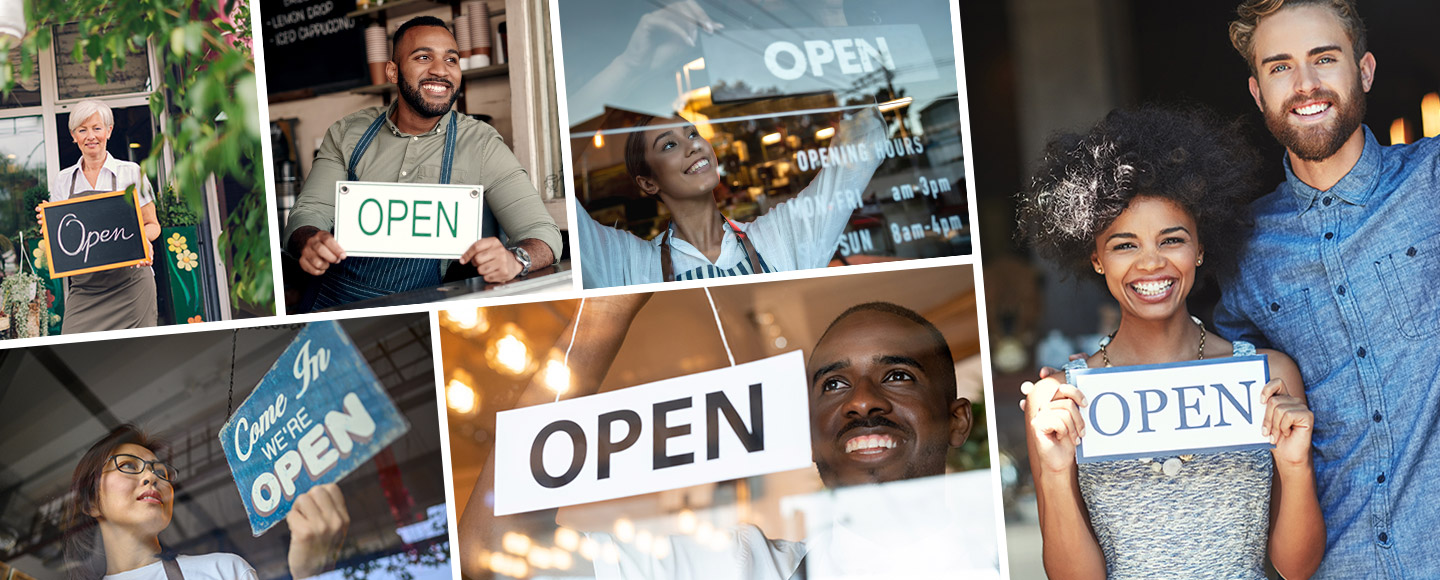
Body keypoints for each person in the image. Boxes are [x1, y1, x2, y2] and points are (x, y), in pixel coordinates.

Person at [457, 296, 984, 579]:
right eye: (835, 383)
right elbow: (491, 558)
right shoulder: (739, 567)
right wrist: (604, 311)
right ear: (809, 432)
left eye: (897, 376)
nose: (861, 400)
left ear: (958, 420)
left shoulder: (1014, 557)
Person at [1016, 107, 1325, 579]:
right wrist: (1056, 474)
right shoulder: (1062, 399)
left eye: (1172, 239)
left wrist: (1296, 465)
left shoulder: (1267, 378)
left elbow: (1297, 568)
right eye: (1124, 245)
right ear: (1096, 258)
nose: (1151, 263)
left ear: (1200, 247)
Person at [1220, 1, 1440, 577]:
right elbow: (1208, 379)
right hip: (1338, 564)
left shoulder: (1434, 182)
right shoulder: (1242, 250)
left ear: (1364, 70)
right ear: (1257, 92)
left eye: (1324, 58)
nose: (1306, 85)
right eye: (1280, 67)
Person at [284, 16, 562, 310]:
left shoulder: (481, 145)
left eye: (451, 60)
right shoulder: (347, 133)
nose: (440, 70)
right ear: (392, 71)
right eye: (423, 57)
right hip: (333, 302)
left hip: (421, 310)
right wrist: (310, 240)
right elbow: (308, 213)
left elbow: (543, 234)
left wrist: (516, 260)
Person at [575, 108, 885, 288]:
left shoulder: (778, 236)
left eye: (692, 133)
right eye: (668, 145)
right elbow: (559, 182)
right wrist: (616, 93)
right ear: (648, 182)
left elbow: (861, 148)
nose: (694, 146)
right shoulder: (628, 263)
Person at [65, 424, 348, 580]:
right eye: (128, 465)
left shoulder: (224, 571)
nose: (151, 477)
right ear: (91, 503)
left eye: (159, 471)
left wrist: (309, 575)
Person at [38, 99, 161, 333]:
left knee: (136, 350)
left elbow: (152, 224)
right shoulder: (64, 180)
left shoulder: (131, 172)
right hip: (86, 289)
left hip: (131, 284)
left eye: (96, 128)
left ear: (109, 131)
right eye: (82, 130)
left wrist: (141, 240)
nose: (90, 136)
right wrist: (48, 224)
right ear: (74, 135)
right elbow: (60, 238)